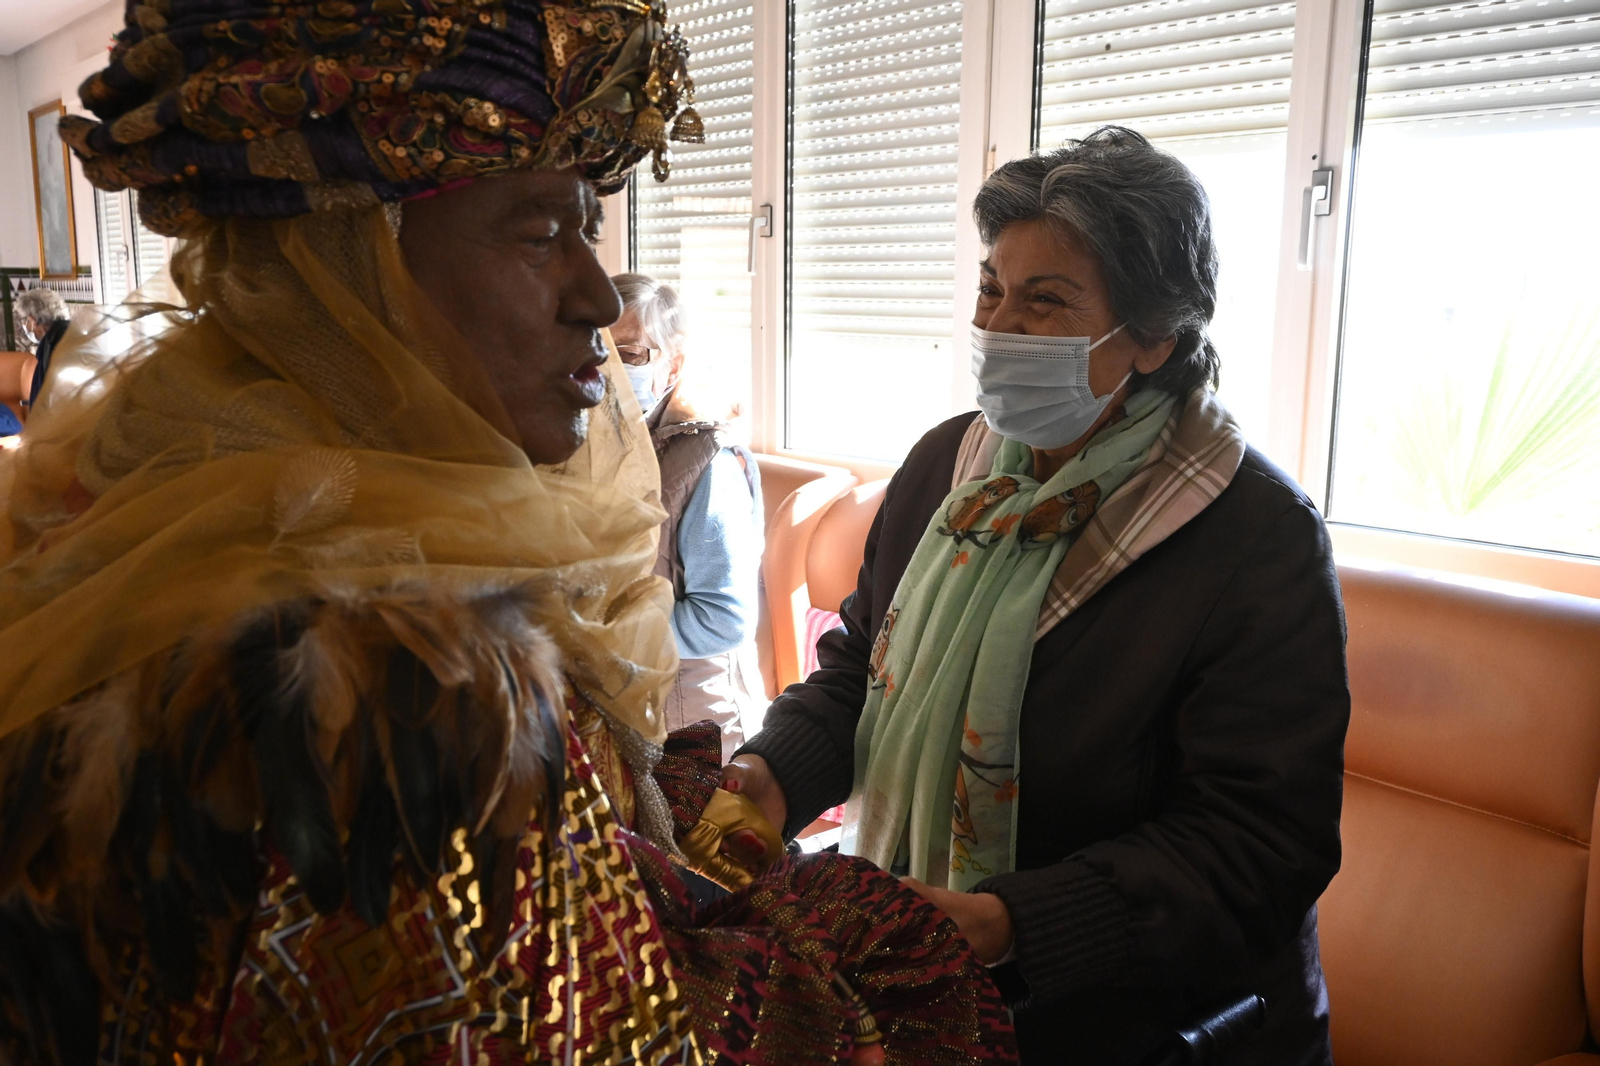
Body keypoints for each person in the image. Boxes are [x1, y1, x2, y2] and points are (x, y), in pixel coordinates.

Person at [0, 3, 1016, 1064]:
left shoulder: (134, 504)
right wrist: (864, 945)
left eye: (589, 224)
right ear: (352, 268)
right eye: (538, 232)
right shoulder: (412, 685)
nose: (589, 292)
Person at [725, 127, 1350, 1065]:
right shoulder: (952, 464)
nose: (998, 329)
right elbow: (863, 665)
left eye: (1045, 302)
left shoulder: (1252, 537)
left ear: (1154, 339)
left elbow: (1257, 844)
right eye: (990, 291)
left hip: (1148, 1021)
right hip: (920, 979)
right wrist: (772, 775)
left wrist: (1008, 924)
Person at [611, 272, 766, 762]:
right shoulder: (606, 445)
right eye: (597, 352)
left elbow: (723, 619)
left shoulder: (708, 464)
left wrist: (607, 639)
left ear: (673, 363)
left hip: (695, 723)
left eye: (630, 354)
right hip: (630, 705)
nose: (609, 370)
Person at [15, 286, 70, 415]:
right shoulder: (69, 333)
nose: (24, 325)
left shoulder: (52, 344)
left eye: (25, 320)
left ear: (32, 321)